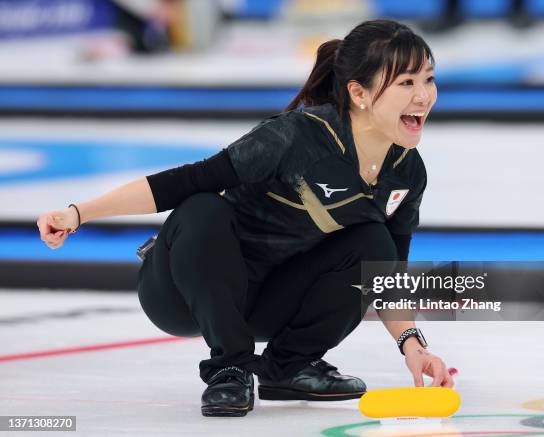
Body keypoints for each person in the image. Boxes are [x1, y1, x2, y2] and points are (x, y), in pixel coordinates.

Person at [37, 19, 454, 418]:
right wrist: (79, 213)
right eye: (407, 82)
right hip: (182, 293)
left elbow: (386, 273)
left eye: (429, 79)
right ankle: (229, 368)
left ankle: (288, 367)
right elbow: (182, 182)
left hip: (267, 302)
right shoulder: (297, 137)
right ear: (359, 93)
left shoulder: (407, 172)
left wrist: (412, 345)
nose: (424, 96)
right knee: (202, 205)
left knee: (374, 243)